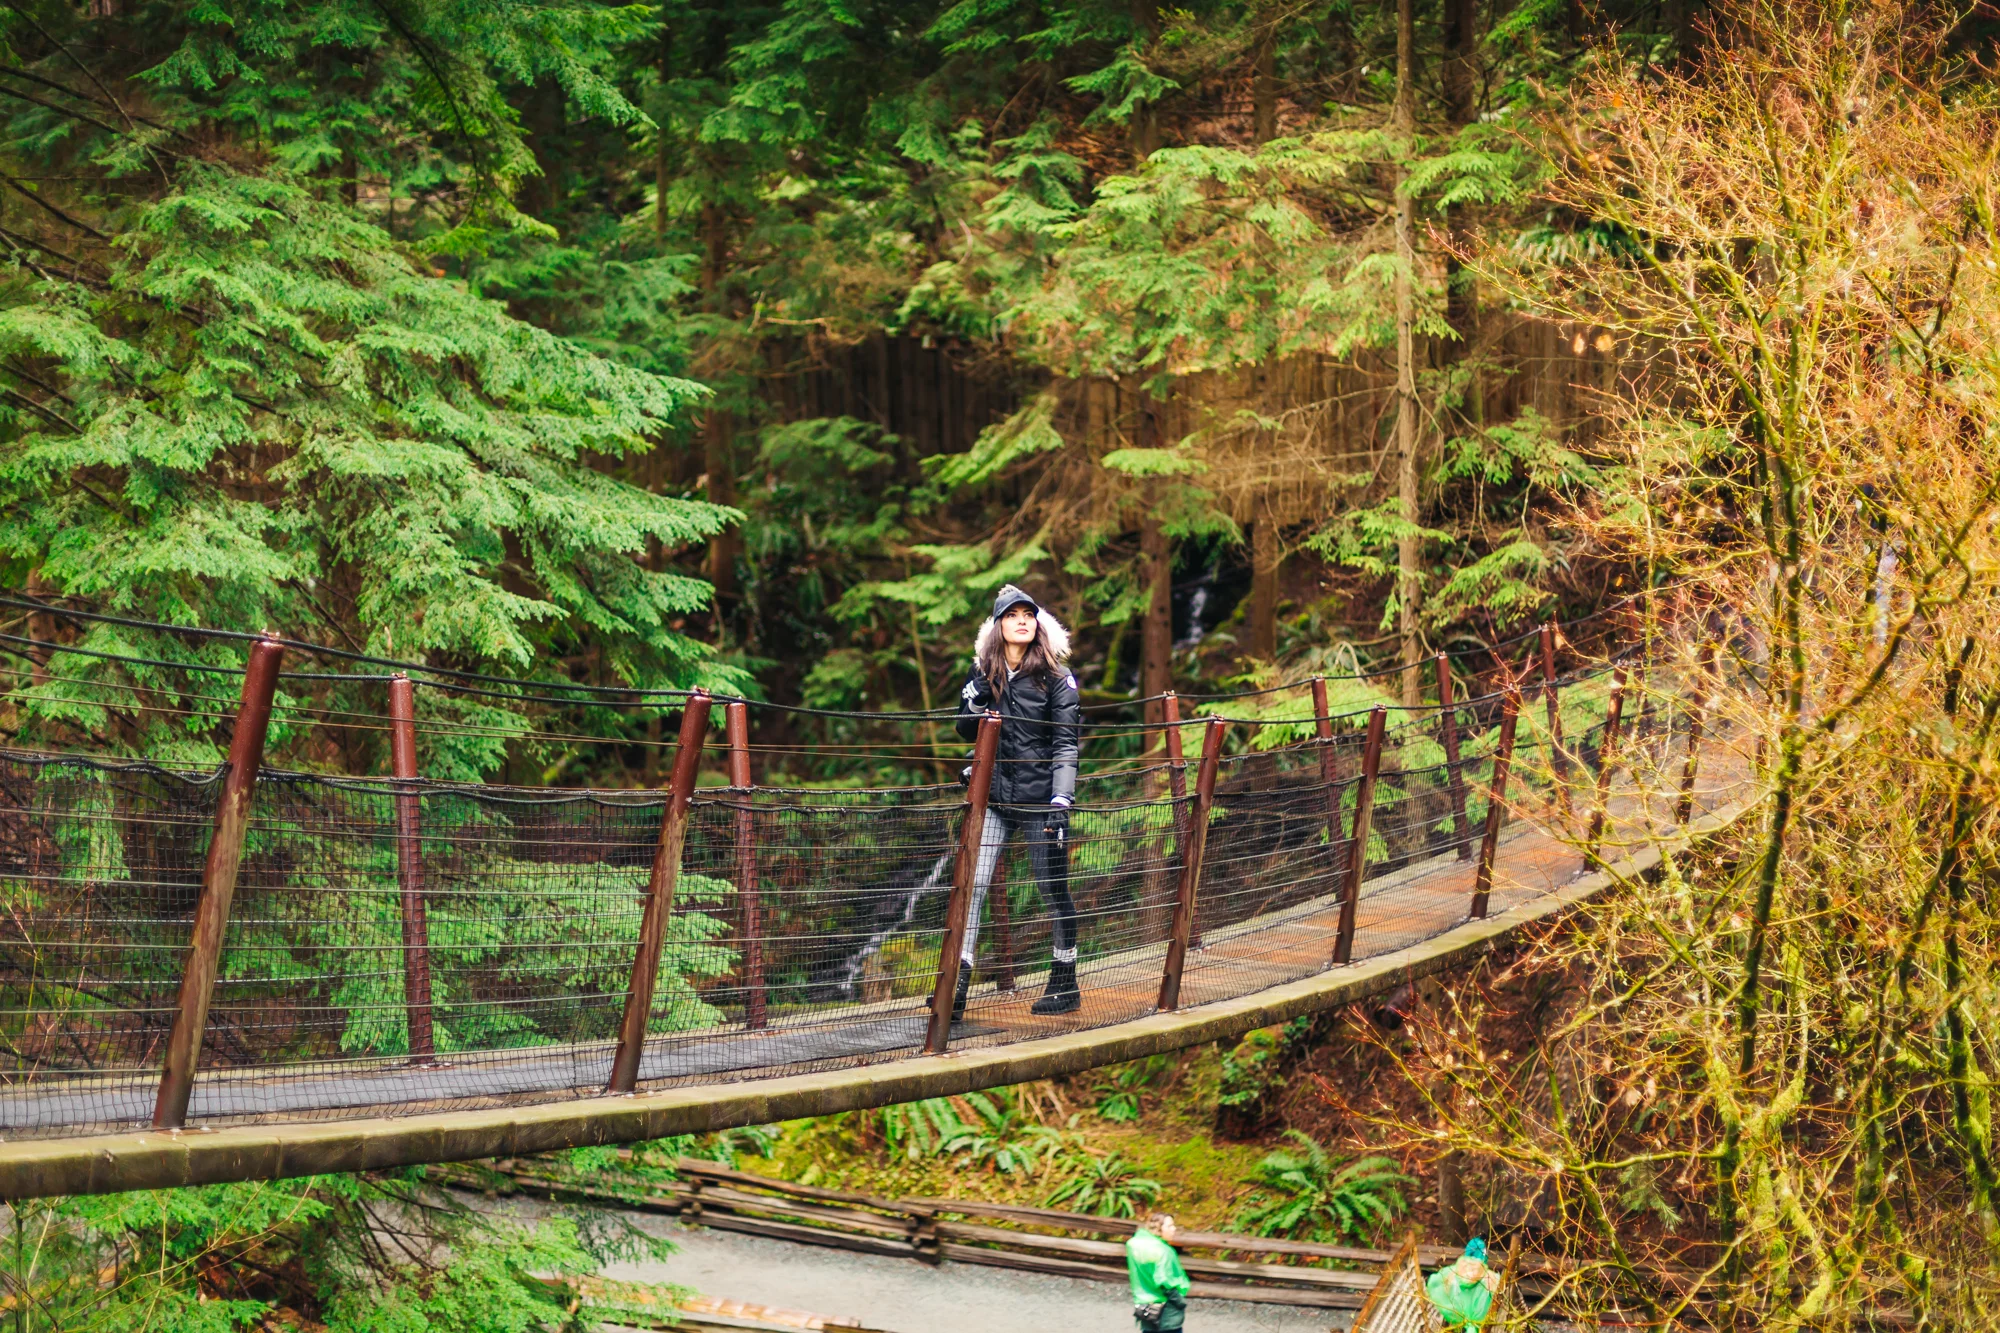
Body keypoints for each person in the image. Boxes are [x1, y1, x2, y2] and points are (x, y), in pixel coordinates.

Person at [949, 584, 1083, 1020]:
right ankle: (956, 987)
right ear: (998, 626)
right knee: (971, 888)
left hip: (1042, 803)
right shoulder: (984, 674)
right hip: (993, 801)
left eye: (1029, 614)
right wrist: (974, 697)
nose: (1022, 620)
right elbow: (966, 730)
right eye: (1012, 615)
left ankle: (1065, 984)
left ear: (1038, 624)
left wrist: (1062, 799)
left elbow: (1066, 744)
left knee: (1051, 889)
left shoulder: (1058, 680)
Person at [1126, 1212, 1190, 1332]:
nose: (1174, 1229)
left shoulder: (1135, 1244)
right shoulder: (1163, 1251)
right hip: (1166, 1308)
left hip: (1144, 1303)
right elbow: (1165, 1281)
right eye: (1169, 1226)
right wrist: (1179, 1301)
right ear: (1158, 1228)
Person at [1424, 1237, 1502, 1330]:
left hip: (1456, 1321)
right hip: (1482, 1325)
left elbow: (1434, 1282)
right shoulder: (1491, 1278)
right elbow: (1501, 1292)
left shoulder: (1451, 1272)